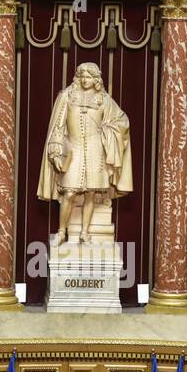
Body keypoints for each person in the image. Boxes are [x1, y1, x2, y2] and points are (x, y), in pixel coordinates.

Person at [36, 62, 134, 244]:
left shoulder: (104, 99)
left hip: (96, 151)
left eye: (89, 77)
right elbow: (58, 125)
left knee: (91, 193)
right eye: (83, 76)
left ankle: (85, 232)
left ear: (96, 79)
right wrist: (56, 151)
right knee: (70, 193)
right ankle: (62, 232)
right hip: (73, 150)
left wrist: (108, 131)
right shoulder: (67, 95)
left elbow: (123, 121)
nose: (85, 80)